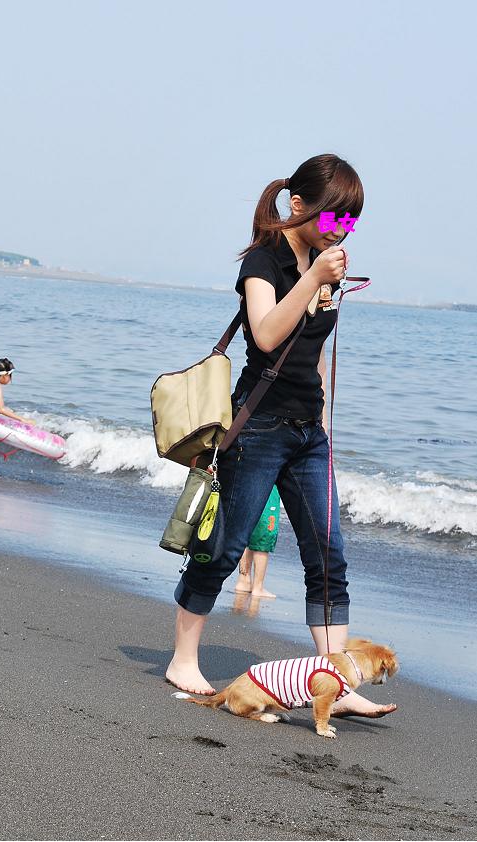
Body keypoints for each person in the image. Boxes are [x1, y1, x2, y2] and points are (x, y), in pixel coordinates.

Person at [166, 153, 396, 720]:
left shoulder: (326, 264)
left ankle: (336, 683)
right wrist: (315, 278)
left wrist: (323, 422)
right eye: (334, 215)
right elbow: (267, 336)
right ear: (298, 205)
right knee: (224, 547)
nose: (342, 229)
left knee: (327, 558)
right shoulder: (263, 261)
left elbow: (312, 351)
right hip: (259, 425)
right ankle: (183, 659)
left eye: (351, 220)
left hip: (307, 432)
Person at [235, 486, 280, 598]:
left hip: (249, 484)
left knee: (247, 531)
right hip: (269, 487)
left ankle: (244, 580)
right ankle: (258, 587)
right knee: (264, 537)